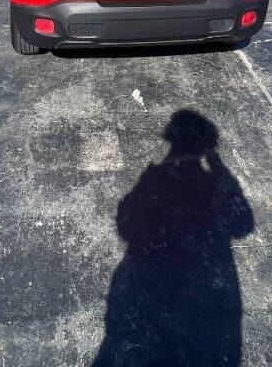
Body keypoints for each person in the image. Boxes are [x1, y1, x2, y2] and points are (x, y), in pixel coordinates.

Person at [92, 110, 254, 367]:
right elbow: (243, 223)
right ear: (205, 148)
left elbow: (126, 224)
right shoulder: (211, 185)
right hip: (202, 302)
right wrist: (217, 165)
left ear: (172, 140)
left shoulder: (155, 181)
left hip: (154, 295)